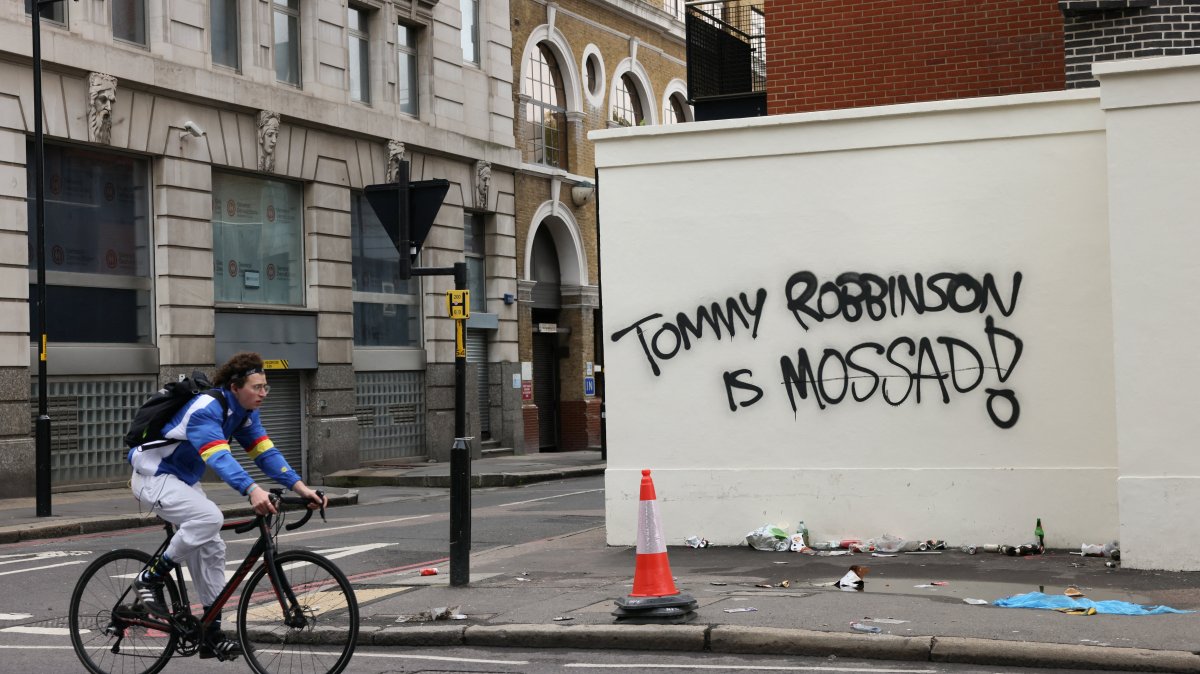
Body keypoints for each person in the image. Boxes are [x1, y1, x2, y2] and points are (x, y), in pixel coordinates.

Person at [128, 351, 326, 660]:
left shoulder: (244, 414)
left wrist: (302, 489)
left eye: (266, 387)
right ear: (235, 386)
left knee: (212, 547)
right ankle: (150, 578)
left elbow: (266, 454)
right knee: (209, 518)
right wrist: (251, 490)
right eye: (257, 387)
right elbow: (217, 456)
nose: (263, 393)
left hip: (181, 481)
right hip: (153, 476)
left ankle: (210, 633)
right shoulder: (207, 408)